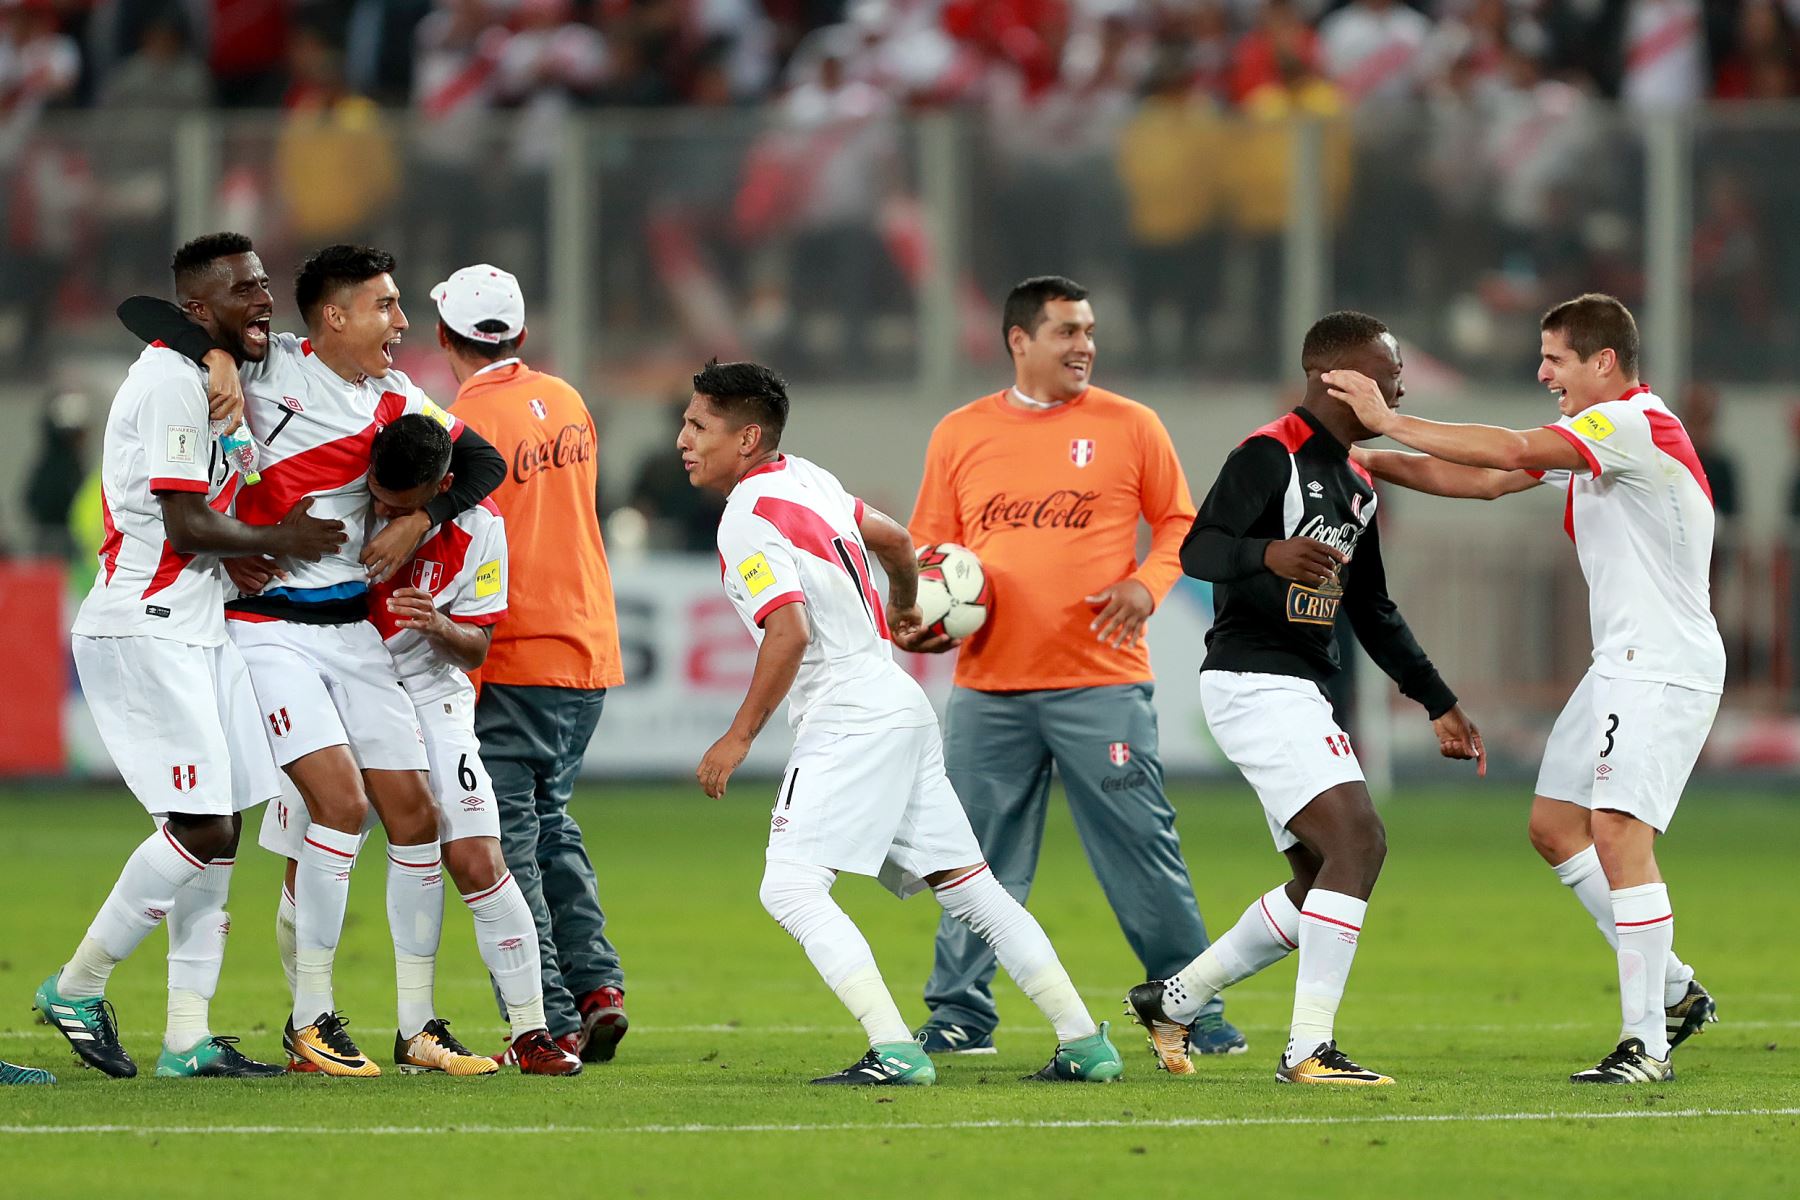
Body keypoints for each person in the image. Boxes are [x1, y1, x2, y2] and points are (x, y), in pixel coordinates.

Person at [117, 244, 507, 1077]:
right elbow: (153, 321)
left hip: (351, 632)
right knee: (340, 804)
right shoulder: (266, 370)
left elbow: (483, 463)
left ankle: (416, 1029)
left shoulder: (399, 397)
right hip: (267, 627)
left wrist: (420, 519)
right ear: (334, 317)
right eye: (387, 306)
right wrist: (217, 354)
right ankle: (311, 1022)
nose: (402, 322)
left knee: (417, 817)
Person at [680, 359, 1123, 1086]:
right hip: (897, 702)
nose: (683, 440)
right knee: (972, 887)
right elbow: (893, 540)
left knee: (788, 889)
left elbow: (787, 632)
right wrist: (905, 603)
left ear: (748, 438)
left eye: (700, 426)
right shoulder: (808, 478)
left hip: (850, 715)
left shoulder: (743, 519)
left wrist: (738, 737)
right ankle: (1083, 1041)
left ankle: (893, 1048)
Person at [1337, 293, 1723, 1084]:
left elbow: (1510, 450)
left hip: (1662, 664)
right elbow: (1483, 481)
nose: (1542, 371)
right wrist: (1373, 462)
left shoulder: (1631, 424)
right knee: (1554, 826)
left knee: (1617, 834)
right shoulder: (1604, 439)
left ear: (1604, 363)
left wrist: (1388, 420)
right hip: (1620, 661)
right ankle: (1676, 988)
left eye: (1555, 358)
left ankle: (1646, 1042)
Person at [1127, 310, 1486, 1087]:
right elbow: (1200, 546)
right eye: (1389, 370)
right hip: (1255, 679)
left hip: (1297, 687)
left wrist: (1437, 700)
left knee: (1321, 872)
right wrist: (1269, 553)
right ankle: (1308, 1049)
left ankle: (1175, 1002)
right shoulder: (1269, 452)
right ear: (1339, 375)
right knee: (1361, 844)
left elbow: (1372, 608)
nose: (1399, 383)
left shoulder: (1358, 481)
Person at [900, 275, 1243, 1063]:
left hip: (1101, 681)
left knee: (1140, 848)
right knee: (971, 862)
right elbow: (926, 551)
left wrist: (1146, 587)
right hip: (989, 687)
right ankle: (960, 1015)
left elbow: (1181, 524)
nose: (1084, 344)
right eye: (1065, 331)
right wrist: (915, 621)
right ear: (1019, 340)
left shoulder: (1131, 425)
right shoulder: (959, 433)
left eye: (1088, 330)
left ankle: (1191, 1006)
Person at [35, 233, 345, 1080]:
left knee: (223, 827)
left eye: (263, 282)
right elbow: (181, 523)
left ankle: (185, 1039)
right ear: (199, 309)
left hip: (196, 617)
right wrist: (277, 537)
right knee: (200, 825)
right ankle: (77, 983)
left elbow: (204, 520)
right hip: (147, 621)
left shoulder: (205, 372)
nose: (265, 298)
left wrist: (236, 548)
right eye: (243, 288)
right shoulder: (172, 384)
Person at [258, 415, 582, 1077]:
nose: (380, 510)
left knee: (474, 855)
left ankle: (525, 1032)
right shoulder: (342, 495)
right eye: (376, 495)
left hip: (432, 693)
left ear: (442, 489)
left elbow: (478, 647)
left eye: (397, 506)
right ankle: (309, 1027)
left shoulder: (482, 528)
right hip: (339, 687)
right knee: (310, 853)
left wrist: (436, 624)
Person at [430, 264, 629, 1063]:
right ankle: (597, 983)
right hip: (589, 647)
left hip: (513, 653)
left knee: (508, 841)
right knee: (554, 821)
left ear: (445, 336)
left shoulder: (461, 424)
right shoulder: (569, 401)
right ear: (518, 332)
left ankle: (552, 1013)